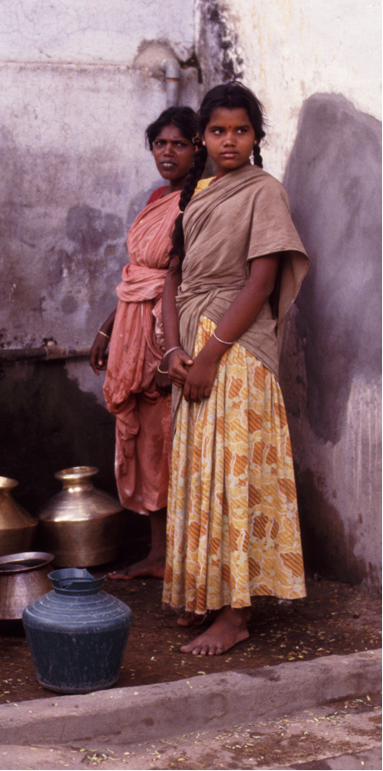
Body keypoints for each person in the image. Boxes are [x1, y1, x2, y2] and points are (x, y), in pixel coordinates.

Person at [160, 82, 309, 654]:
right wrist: (174, 351)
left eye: (241, 130)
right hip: (193, 347)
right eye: (219, 131)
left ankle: (237, 612)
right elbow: (174, 276)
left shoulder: (263, 191)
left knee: (234, 476)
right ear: (203, 137)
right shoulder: (198, 193)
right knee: (205, 475)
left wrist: (210, 354)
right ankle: (209, 590)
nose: (230, 140)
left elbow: (263, 280)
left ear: (256, 137)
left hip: (237, 350)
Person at [90, 107, 199, 580]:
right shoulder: (159, 197)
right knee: (148, 440)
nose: (168, 152)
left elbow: (185, 281)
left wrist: (170, 346)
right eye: (160, 143)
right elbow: (139, 277)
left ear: (197, 148)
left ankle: (187, 559)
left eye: (178, 143)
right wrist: (109, 328)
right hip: (134, 325)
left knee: (175, 441)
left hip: (169, 332)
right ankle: (157, 554)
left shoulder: (200, 200)